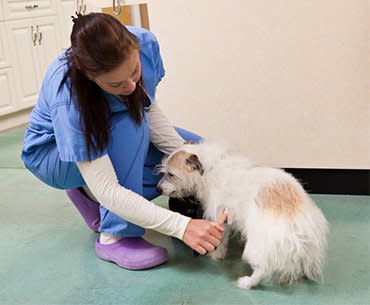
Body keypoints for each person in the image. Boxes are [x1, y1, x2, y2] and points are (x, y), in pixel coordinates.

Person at [21, 12, 223, 270]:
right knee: (131, 125)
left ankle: (89, 197)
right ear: (89, 76)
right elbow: (110, 188)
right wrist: (181, 227)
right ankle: (114, 235)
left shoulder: (143, 43)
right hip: (54, 155)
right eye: (116, 84)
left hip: (108, 136)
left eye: (135, 72)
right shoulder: (69, 97)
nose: (130, 86)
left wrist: (187, 158)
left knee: (195, 152)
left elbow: (147, 107)